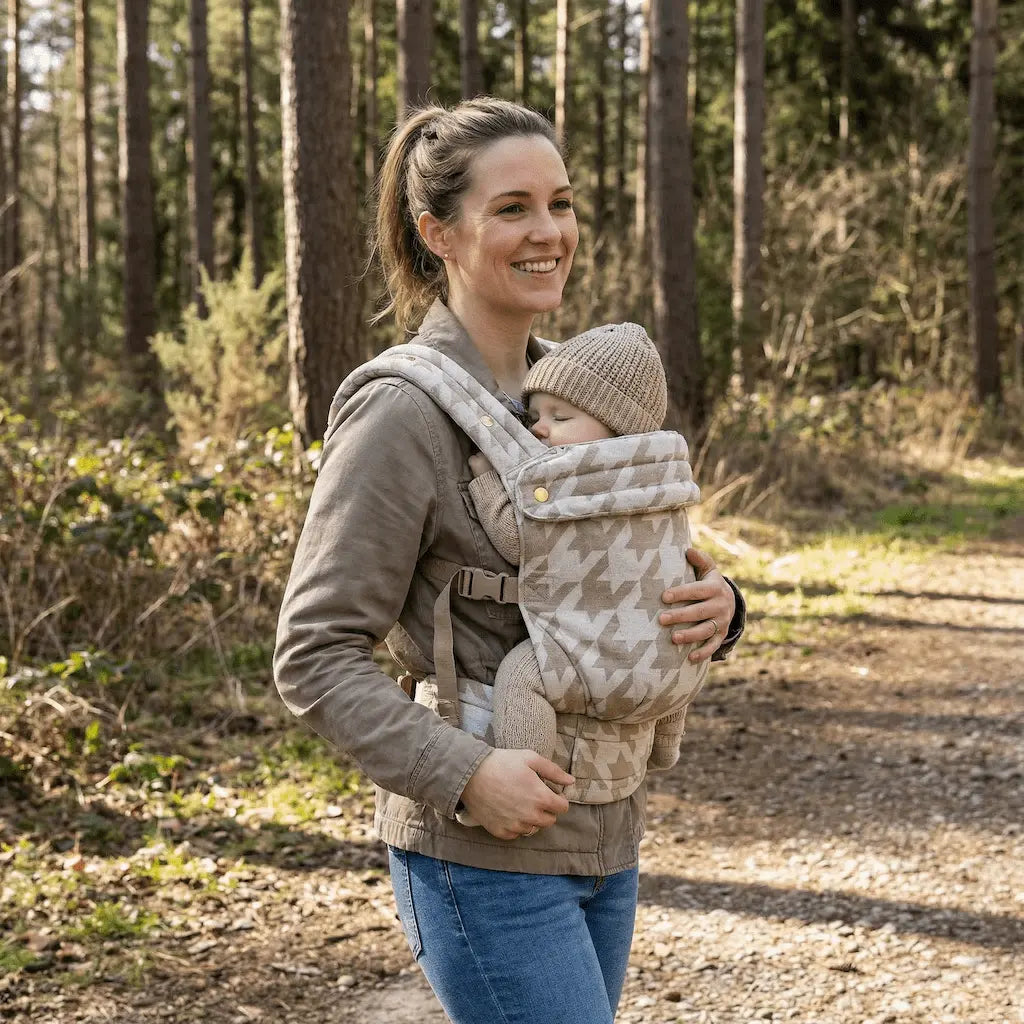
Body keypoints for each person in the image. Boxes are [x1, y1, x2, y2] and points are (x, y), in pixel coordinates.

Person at [273, 98, 745, 1024]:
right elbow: (313, 656)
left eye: (561, 204)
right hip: (478, 856)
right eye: (514, 208)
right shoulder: (401, 413)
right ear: (437, 232)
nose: (549, 232)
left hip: (607, 830)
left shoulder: (587, 394)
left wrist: (720, 605)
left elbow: (637, 573)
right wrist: (464, 772)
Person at [457, 321, 705, 832]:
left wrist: (485, 481)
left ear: (616, 430)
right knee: (676, 669)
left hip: (597, 656)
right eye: (535, 415)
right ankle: (665, 744)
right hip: (675, 657)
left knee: (523, 676)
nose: (538, 429)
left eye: (560, 416)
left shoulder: (579, 483)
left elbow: (518, 541)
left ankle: (529, 771)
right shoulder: (666, 478)